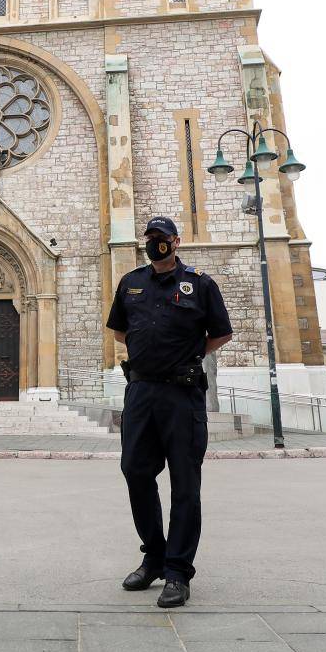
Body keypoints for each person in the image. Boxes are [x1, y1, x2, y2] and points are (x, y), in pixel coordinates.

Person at [105, 215, 232, 609]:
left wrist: (186, 357)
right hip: (141, 391)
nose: (155, 243)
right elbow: (120, 331)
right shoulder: (131, 283)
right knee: (135, 471)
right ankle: (154, 556)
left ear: (175, 241)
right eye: (150, 238)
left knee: (184, 483)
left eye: (161, 237)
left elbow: (221, 333)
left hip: (182, 393)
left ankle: (177, 572)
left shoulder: (201, 283)